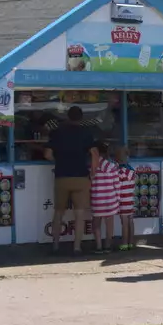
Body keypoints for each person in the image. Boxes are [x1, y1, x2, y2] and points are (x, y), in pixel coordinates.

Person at [46, 106, 94, 254]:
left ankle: (55, 245)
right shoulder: (87, 133)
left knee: (58, 213)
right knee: (79, 214)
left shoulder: (57, 133)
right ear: (81, 118)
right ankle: (77, 247)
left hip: (62, 176)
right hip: (80, 176)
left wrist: (59, 161)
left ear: (67, 116)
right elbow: (94, 154)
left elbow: (47, 153)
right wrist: (92, 173)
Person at [89, 141, 122, 252]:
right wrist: (118, 199)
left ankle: (98, 246)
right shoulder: (112, 166)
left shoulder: (91, 167)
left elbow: (89, 184)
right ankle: (107, 245)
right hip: (110, 201)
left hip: (96, 201)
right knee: (109, 225)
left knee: (96, 224)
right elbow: (117, 185)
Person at [113, 146, 137, 249]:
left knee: (124, 223)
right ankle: (131, 242)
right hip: (130, 200)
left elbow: (116, 186)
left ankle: (124, 243)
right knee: (131, 221)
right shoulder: (132, 171)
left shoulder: (119, 172)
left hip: (122, 201)